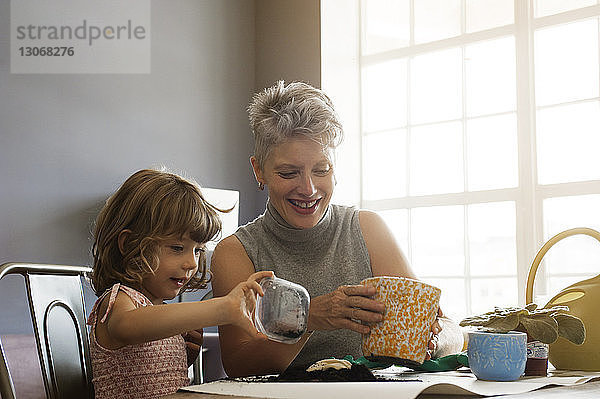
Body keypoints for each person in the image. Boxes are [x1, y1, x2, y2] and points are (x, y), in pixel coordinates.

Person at [211, 81, 464, 377]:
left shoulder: (367, 229)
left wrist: (436, 340)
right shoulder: (236, 252)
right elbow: (239, 364)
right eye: (288, 172)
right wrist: (306, 318)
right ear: (259, 170)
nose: (308, 188)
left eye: (322, 170)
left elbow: (446, 328)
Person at [87, 169, 272, 399]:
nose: (191, 263)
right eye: (177, 248)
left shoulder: (158, 310)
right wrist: (223, 309)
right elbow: (127, 326)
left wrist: (183, 357)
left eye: (197, 250)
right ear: (128, 244)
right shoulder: (119, 300)